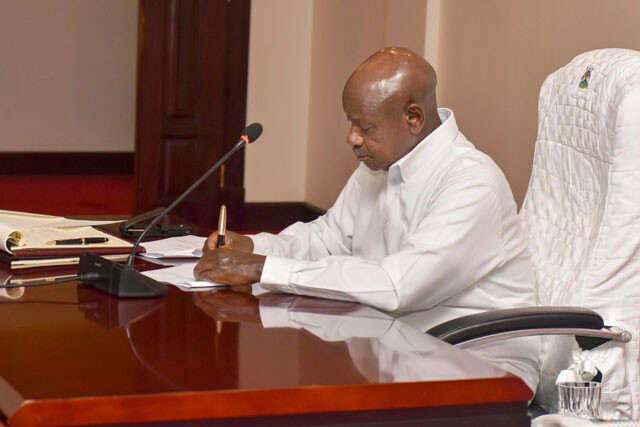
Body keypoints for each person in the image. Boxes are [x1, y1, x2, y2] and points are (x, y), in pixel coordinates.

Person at [194, 47, 536, 327]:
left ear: (413, 118)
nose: (352, 139)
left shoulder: (471, 182)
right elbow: (326, 241)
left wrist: (263, 268)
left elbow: (397, 286)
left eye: (364, 127)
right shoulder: (379, 164)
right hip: (396, 345)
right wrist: (254, 247)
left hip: (475, 363)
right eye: (350, 122)